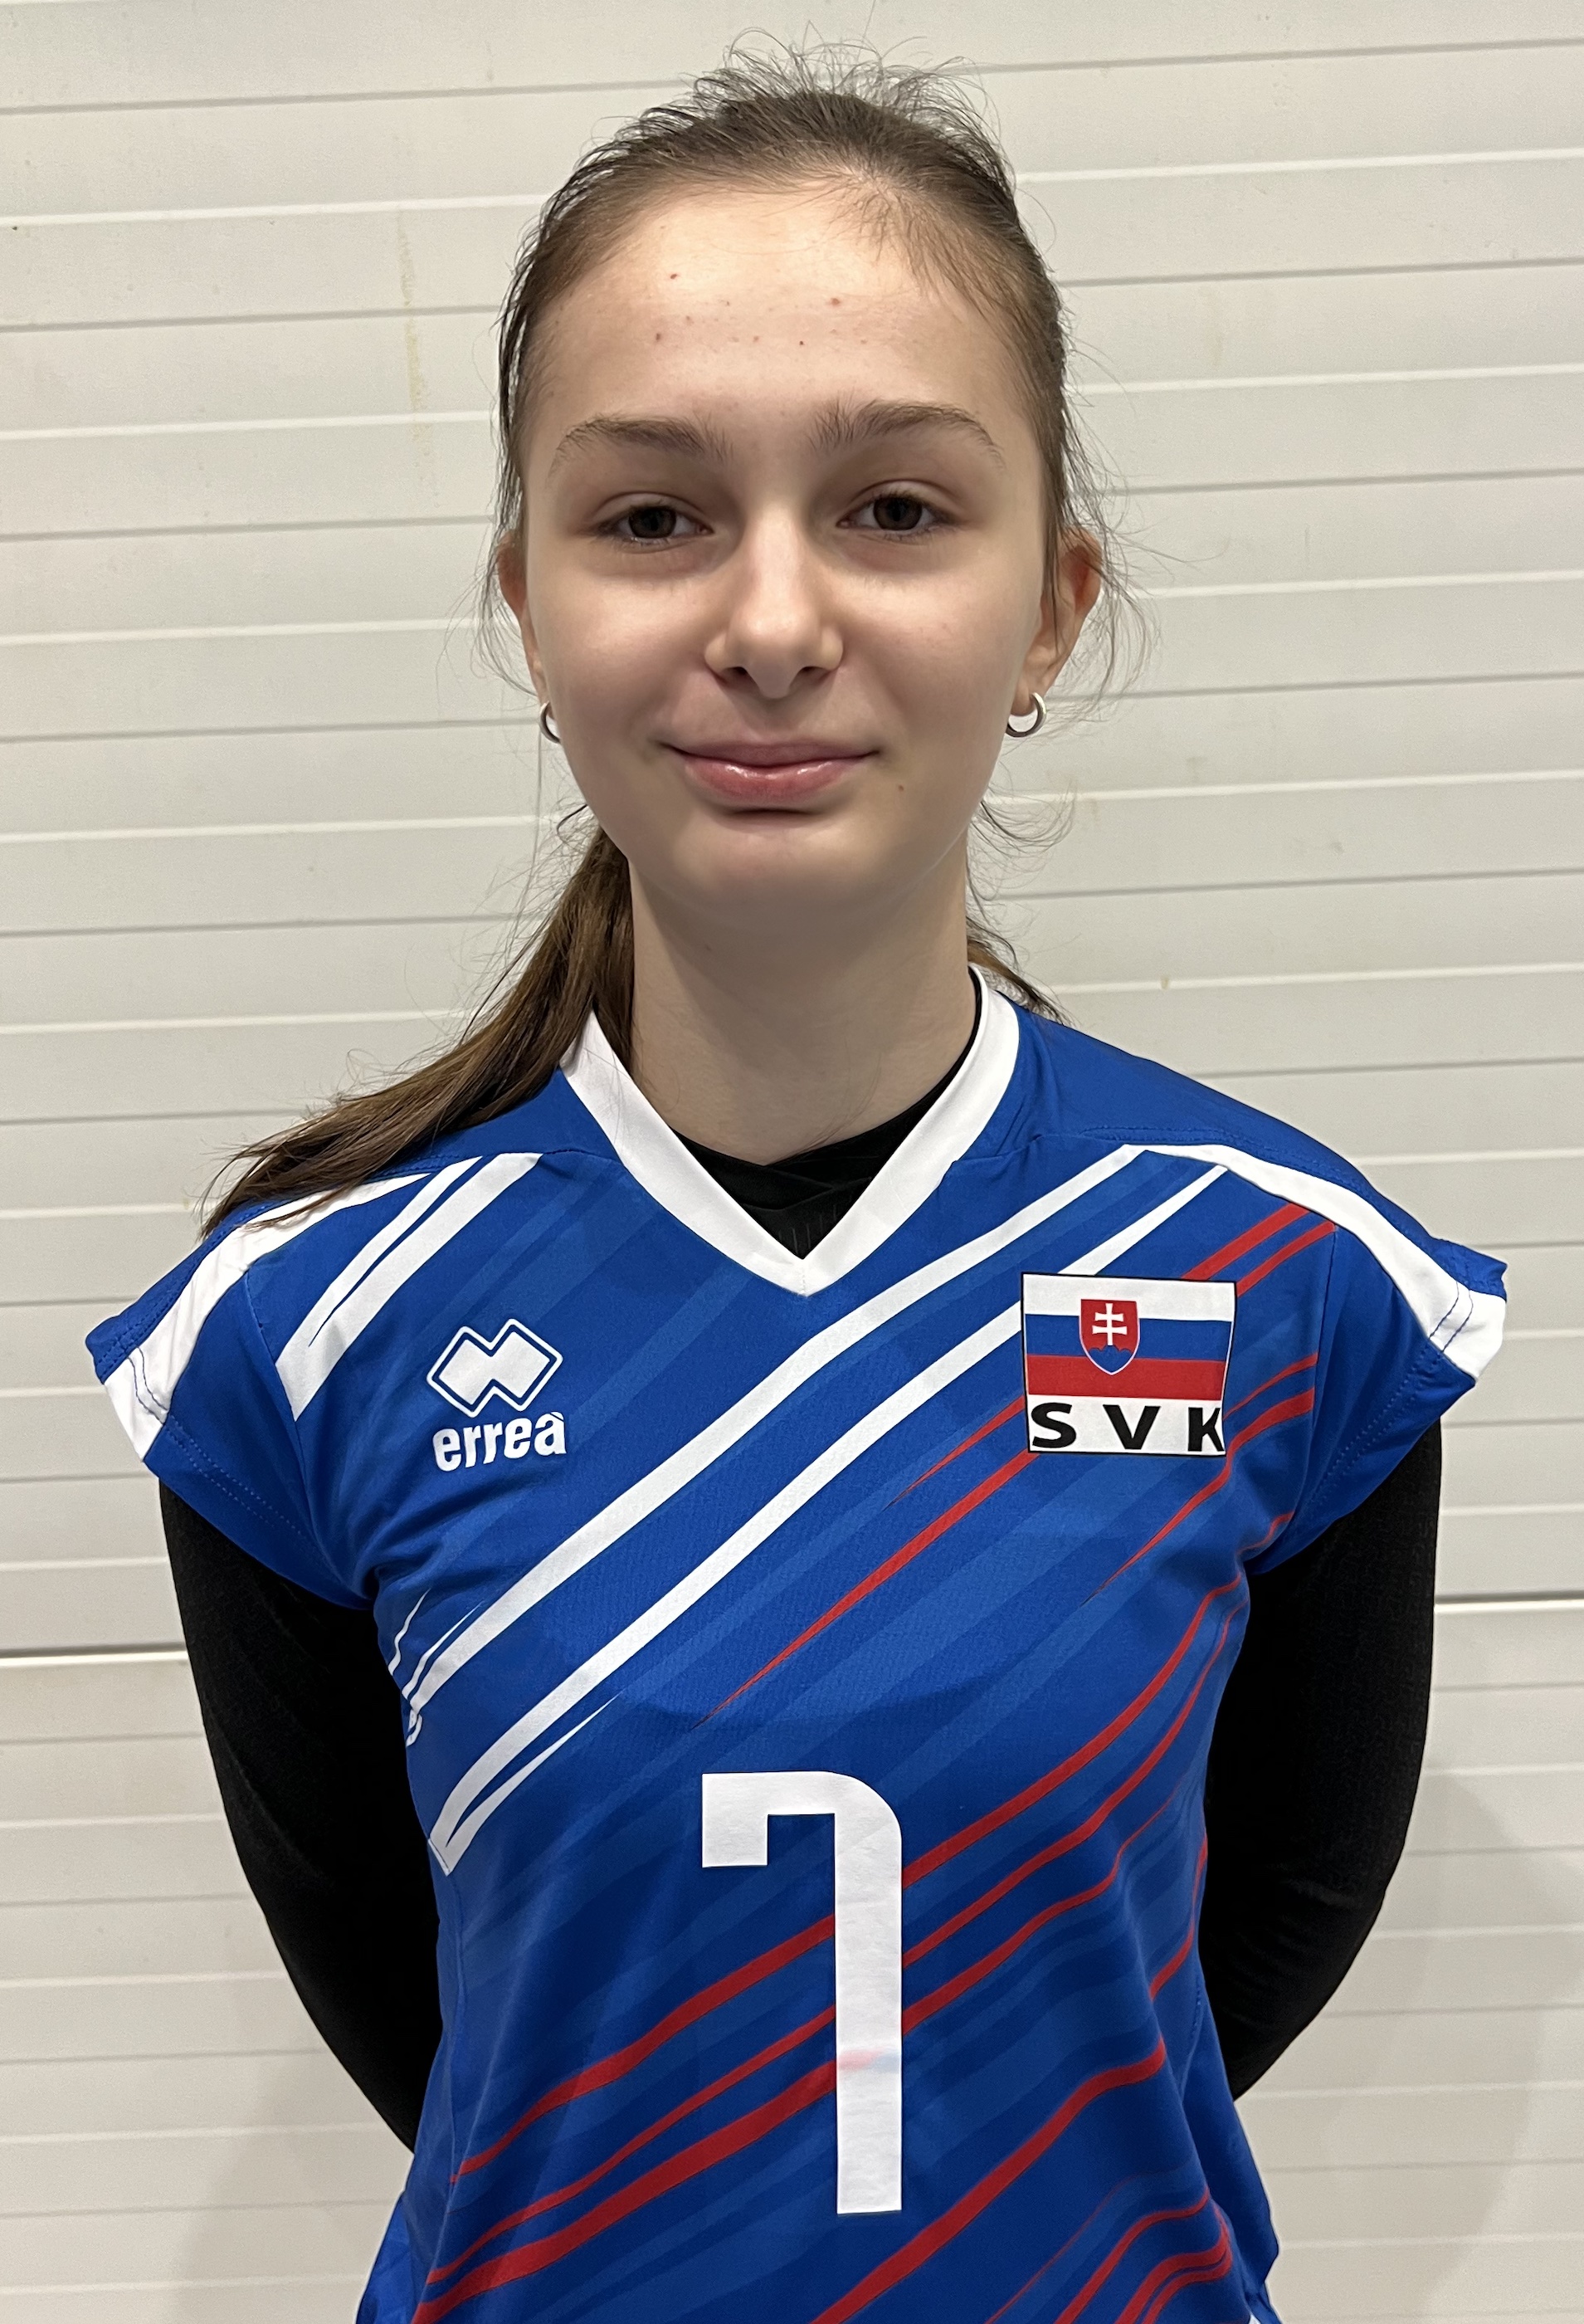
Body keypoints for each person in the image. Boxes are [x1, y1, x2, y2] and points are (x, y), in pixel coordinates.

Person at [89, 49, 1503, 2324]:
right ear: (527, 602)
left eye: (895, 508)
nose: (769, 619)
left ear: (1052, 604)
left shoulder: (1285, 1281)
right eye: (652, 517)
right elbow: (435, 2027)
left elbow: (1249, 1947)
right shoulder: (308, 1331)